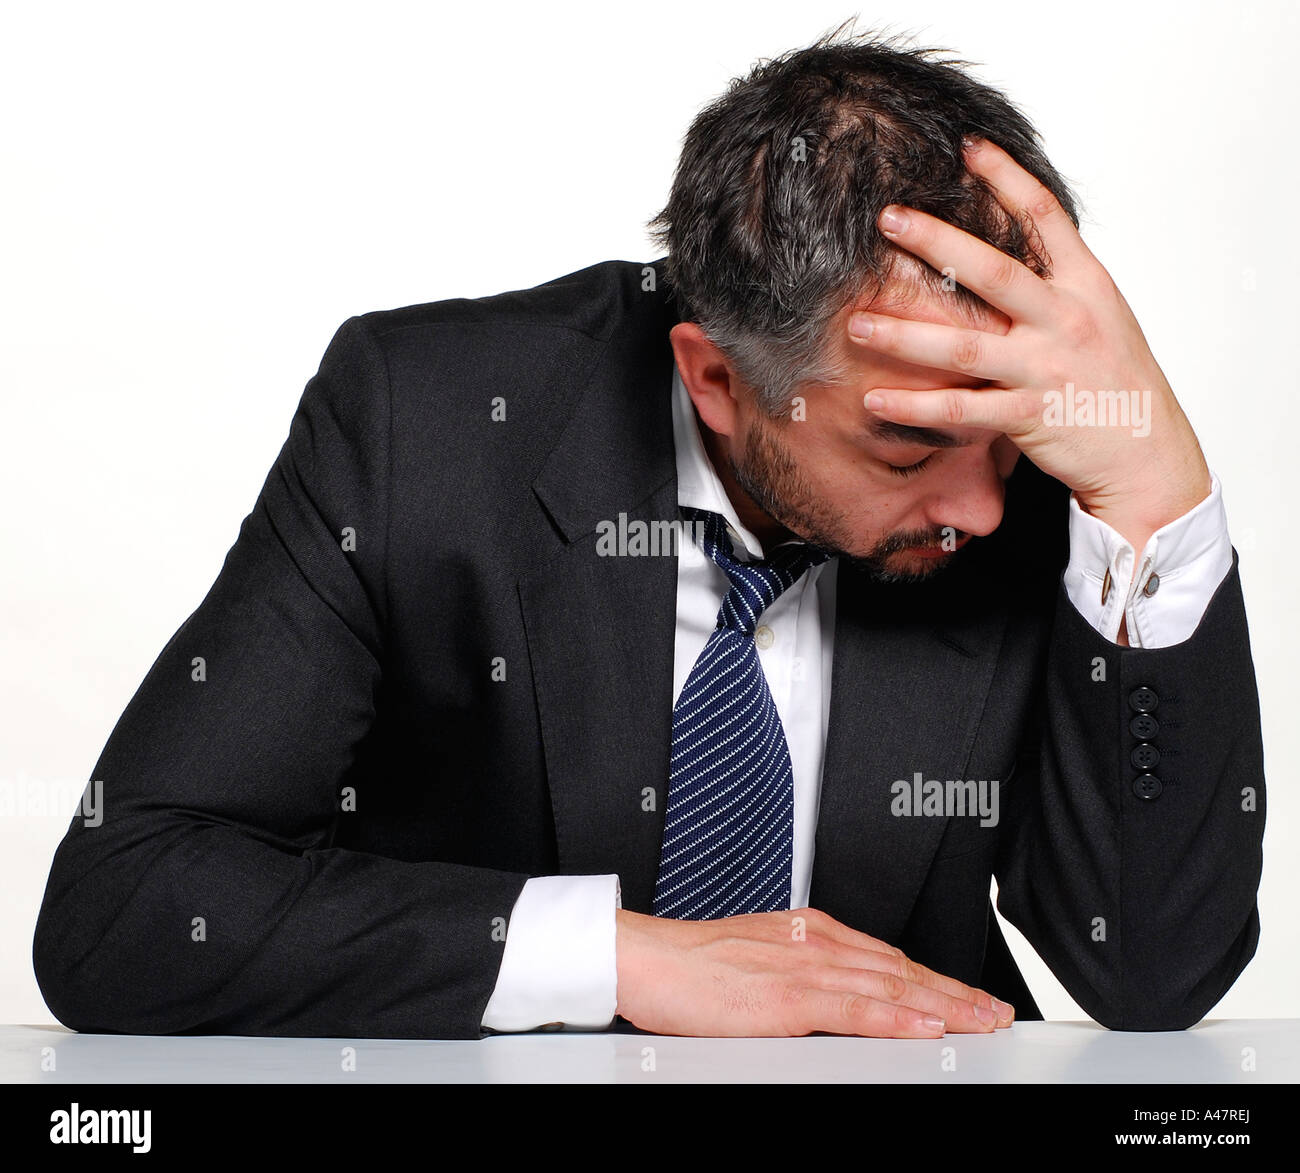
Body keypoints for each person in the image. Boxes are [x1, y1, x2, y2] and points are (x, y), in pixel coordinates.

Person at [32, 25, 1264, 1040]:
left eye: (1007, 441)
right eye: (902, 448)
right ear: (716, 379)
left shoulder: (1038, 447)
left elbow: (1150, 976)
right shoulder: (424, 423)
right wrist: (610, 959)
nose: (985, 509)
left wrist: (1153, 497)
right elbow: (124, 901)